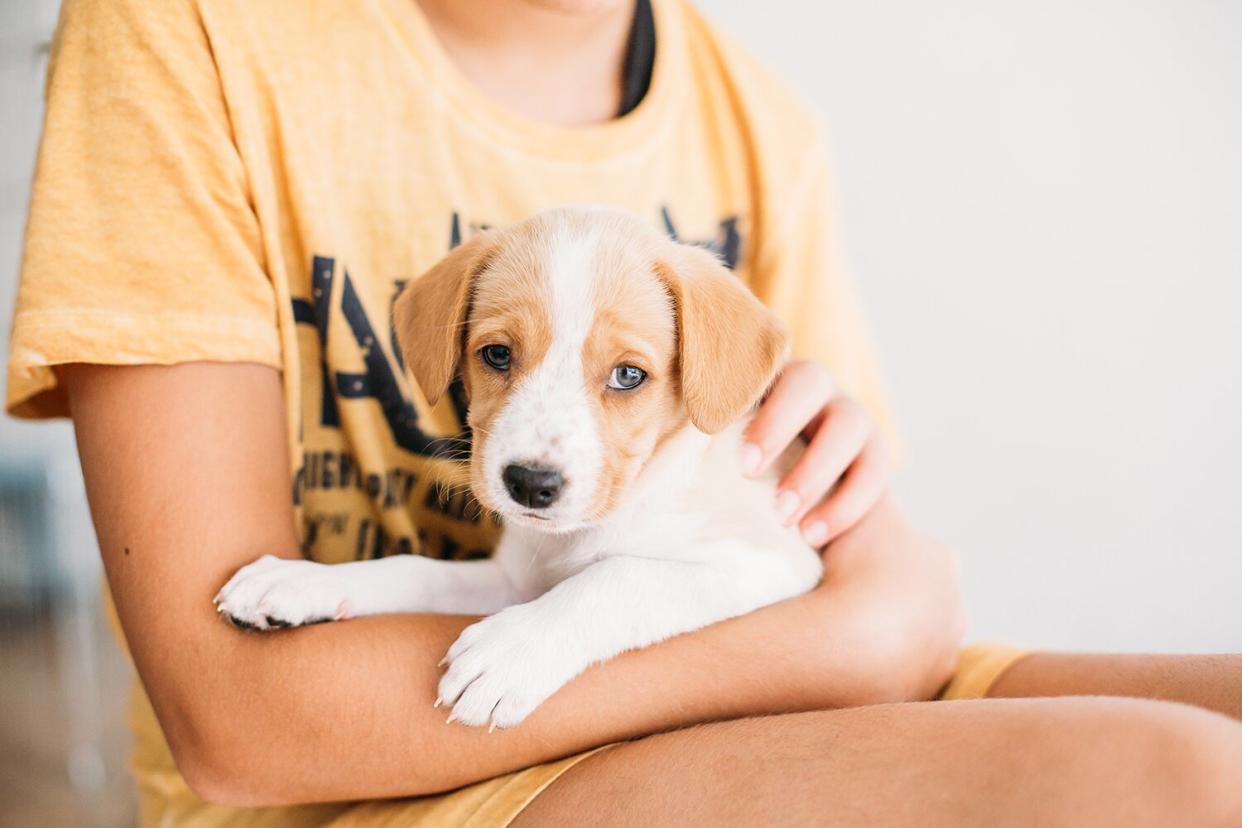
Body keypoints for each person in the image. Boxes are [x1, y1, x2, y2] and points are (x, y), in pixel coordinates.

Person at [6, 0, 1241, 824]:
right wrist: (856, 637)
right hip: (415, 763)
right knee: (1180, 779)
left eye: (621, 377)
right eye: (498, 359)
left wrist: (881, 608)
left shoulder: (759, 119)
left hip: (762, 653)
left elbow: (854, 560)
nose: (542, 434)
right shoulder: (190, 31)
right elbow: (242, 720)